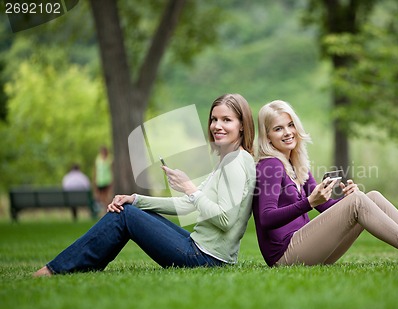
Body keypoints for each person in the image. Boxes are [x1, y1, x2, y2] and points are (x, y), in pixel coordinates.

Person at [34, 93, 256, 276]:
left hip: (206, 258)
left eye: (226, 120)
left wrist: (191, 189)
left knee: (125, 216)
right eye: (214, 119)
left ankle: (57, 269)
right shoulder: (229, 160)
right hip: (202, 250)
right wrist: (136, 199)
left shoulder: (234, 162)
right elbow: (187, 205)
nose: (217, 125)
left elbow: (226, 220)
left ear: (242, 125)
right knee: (129, 209)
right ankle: (79, 266)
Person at [252, 100, 398, 267]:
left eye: (290, 125)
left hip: (308, 249)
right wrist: (309, 202)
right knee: (358, 202)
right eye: (278, 129)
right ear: (267, 136)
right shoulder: (270, 166)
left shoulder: (295, 164)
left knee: (371, 197)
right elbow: (266, 218)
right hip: (286, 256)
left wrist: (345, 200)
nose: (288, 132)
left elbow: (325, 207)